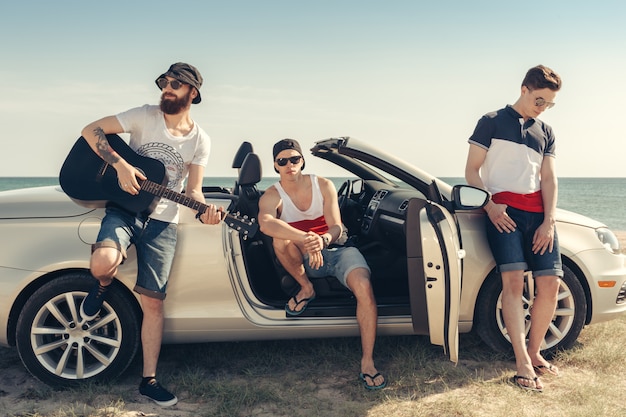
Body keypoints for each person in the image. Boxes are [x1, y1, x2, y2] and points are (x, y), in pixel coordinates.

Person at [78, 62, 222, 406]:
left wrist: (206, 213)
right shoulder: (144, 115)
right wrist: (121, 164)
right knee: (103, 263)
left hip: (164, 221)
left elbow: (196, 191)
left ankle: (149, 380)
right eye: (165, 82)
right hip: (125, 209)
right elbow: (90, 130)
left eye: (175, 84)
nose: (167, 88)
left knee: (154, 303)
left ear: (193, 93)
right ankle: (101, 287)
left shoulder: (201, 139)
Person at [257, 139, 386, 390]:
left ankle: (368, 362)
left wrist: (323, 239)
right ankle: (306, 288)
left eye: (294, 159)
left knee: (363, 286)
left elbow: (336, 226)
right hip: (304, 258)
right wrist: (306, 239)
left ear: (302, 160)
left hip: (337, 250)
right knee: (280, 241)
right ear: (275, 165)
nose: (290, 165)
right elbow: (266, 224)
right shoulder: (273, 194)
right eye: (282, 161)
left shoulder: (323, 185)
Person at [465, 65, 563, 392]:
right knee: (514, 282)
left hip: (538, 214)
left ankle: (535, 352)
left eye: (548, 103)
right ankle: (521, 360)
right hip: (503, 213)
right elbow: (472, 171)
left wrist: (548, 221)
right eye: (539, 100)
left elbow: (548, 179)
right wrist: (489, 206)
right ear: (523, 89)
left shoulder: (545, 131)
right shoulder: (490, 121)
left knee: (549, 284)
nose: (542, 108)